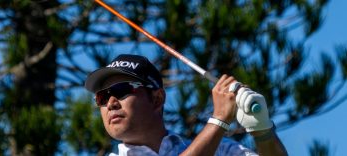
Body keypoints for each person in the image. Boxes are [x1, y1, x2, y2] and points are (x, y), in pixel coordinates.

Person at [84, 54, 287, 156]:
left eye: (121, 91)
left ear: (157, 99)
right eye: (102, 97)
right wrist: (219, 120)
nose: (110, 103)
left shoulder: (220, 149)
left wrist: (262, 130)